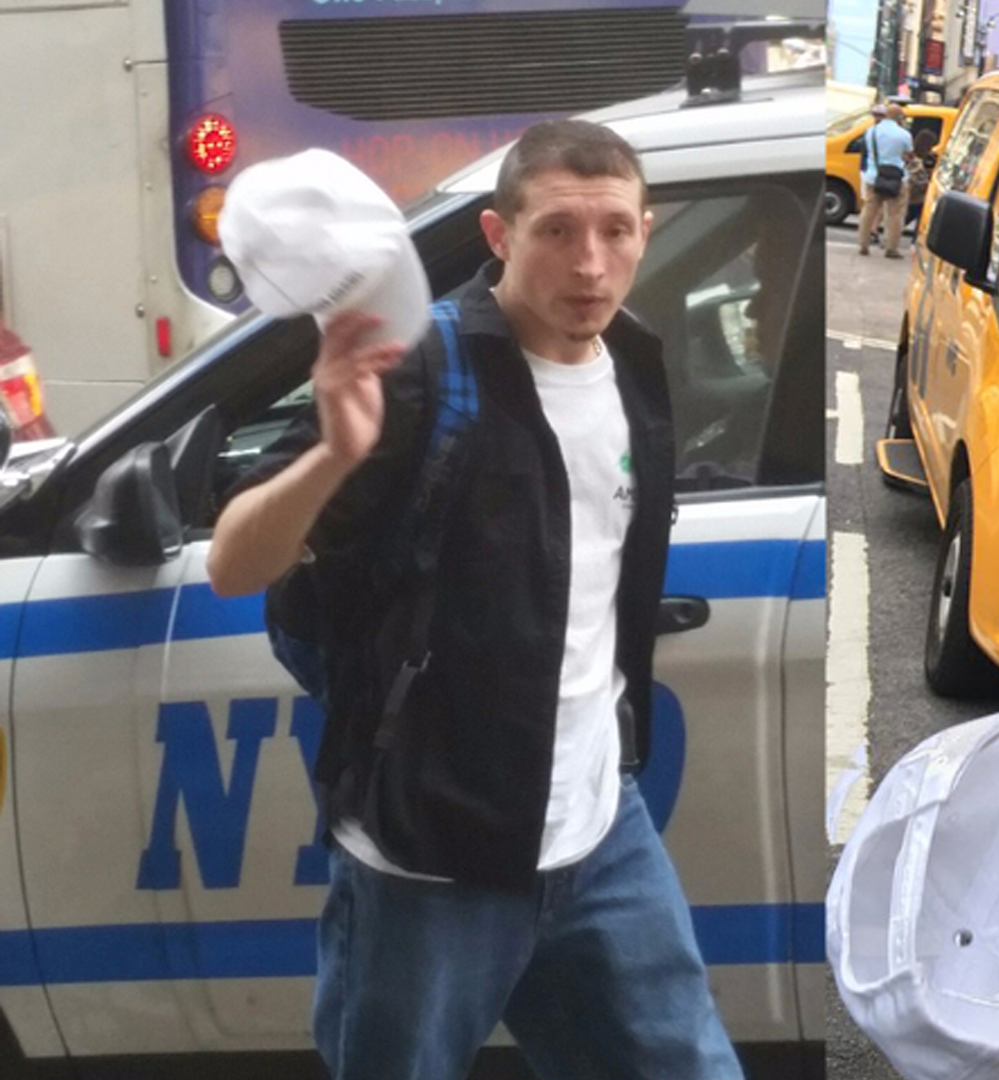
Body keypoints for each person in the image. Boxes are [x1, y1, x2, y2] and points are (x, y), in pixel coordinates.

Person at [207, 120, 741, 1080]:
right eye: (557, 231)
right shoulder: (420, 372)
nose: (591, 265)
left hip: (598, 832)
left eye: (615, 231)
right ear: (499, 234)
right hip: (431, 855)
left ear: (647, 232)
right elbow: (233, 564)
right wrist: (334, 454)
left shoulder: (633, 360)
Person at [857, 102, 913, 259]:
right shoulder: (904, 135)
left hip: (873, 176)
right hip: (897, 178)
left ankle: (863, 244)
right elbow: (909, 155)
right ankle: (891, 248)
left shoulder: (871, 132)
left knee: (869, 210)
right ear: (899, 118)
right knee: (895, 214)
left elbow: (867, 152)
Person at [905, 125, 940, 234]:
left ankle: (893, 231)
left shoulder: (910, 155)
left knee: (909, 214)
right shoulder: (930, 158)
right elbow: (931, 174)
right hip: (920, 193)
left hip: (909, 190)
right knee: (920, 213)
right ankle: (916, 236)